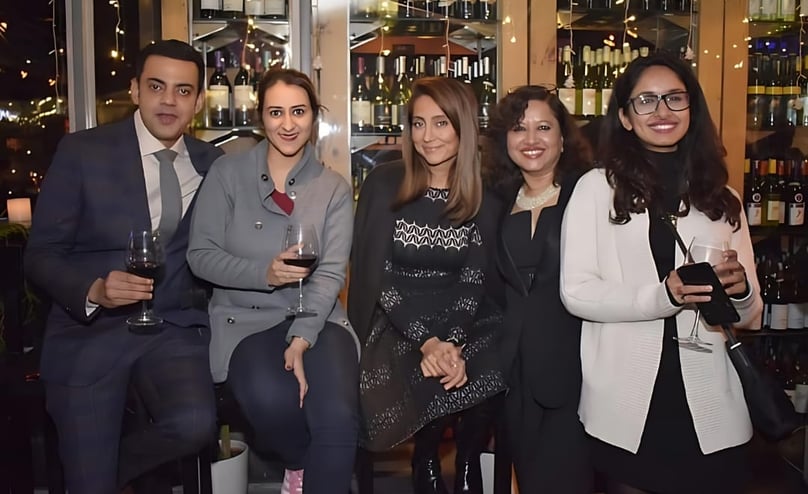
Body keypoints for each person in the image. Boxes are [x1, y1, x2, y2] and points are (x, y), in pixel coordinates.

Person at [559, 51, 763, 494]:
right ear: (626, 117)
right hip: (628, 404)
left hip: (712, 401)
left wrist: (742, 291)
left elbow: (751, 315)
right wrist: (663, 297)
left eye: (674, 98)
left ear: (693, 108)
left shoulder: (720, 196)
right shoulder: (597, 189)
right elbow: (575, 291)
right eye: (645, 100)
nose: (662, 111)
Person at [24, 40, 222, 494]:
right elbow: (41, 254)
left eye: (183, 90)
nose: (169, 100)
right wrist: (93, 289)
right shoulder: (81, 152)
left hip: (171, 327)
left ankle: (99, 472)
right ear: (134, 89)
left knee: (194, 424)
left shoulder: (214, 166)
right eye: (157, 86)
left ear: (198, 100)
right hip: (89, 332)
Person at [187, 68, 359, 494]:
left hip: (316, 317)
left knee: (337, 416)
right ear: (260, 116)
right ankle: (299, 465)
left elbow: (331, 273)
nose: (287, 124)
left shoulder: (333, 188)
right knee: (272, 401)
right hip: (244, 320)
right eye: (276, 112)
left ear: (313, 117)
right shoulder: (227, 174)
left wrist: (301, 338)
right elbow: (200, 256)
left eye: (298, 112)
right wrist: (263, 273)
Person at [349, 76, 507, 494]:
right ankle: (427, 453)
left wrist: (451, 340)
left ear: (463, 127)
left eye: (440, 123)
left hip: (460, 312)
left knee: (493, 359)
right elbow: (374, 275)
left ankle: (469, 459)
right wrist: (428, 342)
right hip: (397, 316)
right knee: (426, 372)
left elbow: (474, 279)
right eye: (418, 123)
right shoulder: (384, 181)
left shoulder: (484, 194)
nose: (426, 136)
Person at [486, 85, 594, 493]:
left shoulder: (589, 197)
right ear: (505, 140)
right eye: (519, 129)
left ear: (563, 138)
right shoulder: (495, 201)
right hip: (512, 371)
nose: (531, 140)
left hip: (577, 369)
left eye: (543, 127)